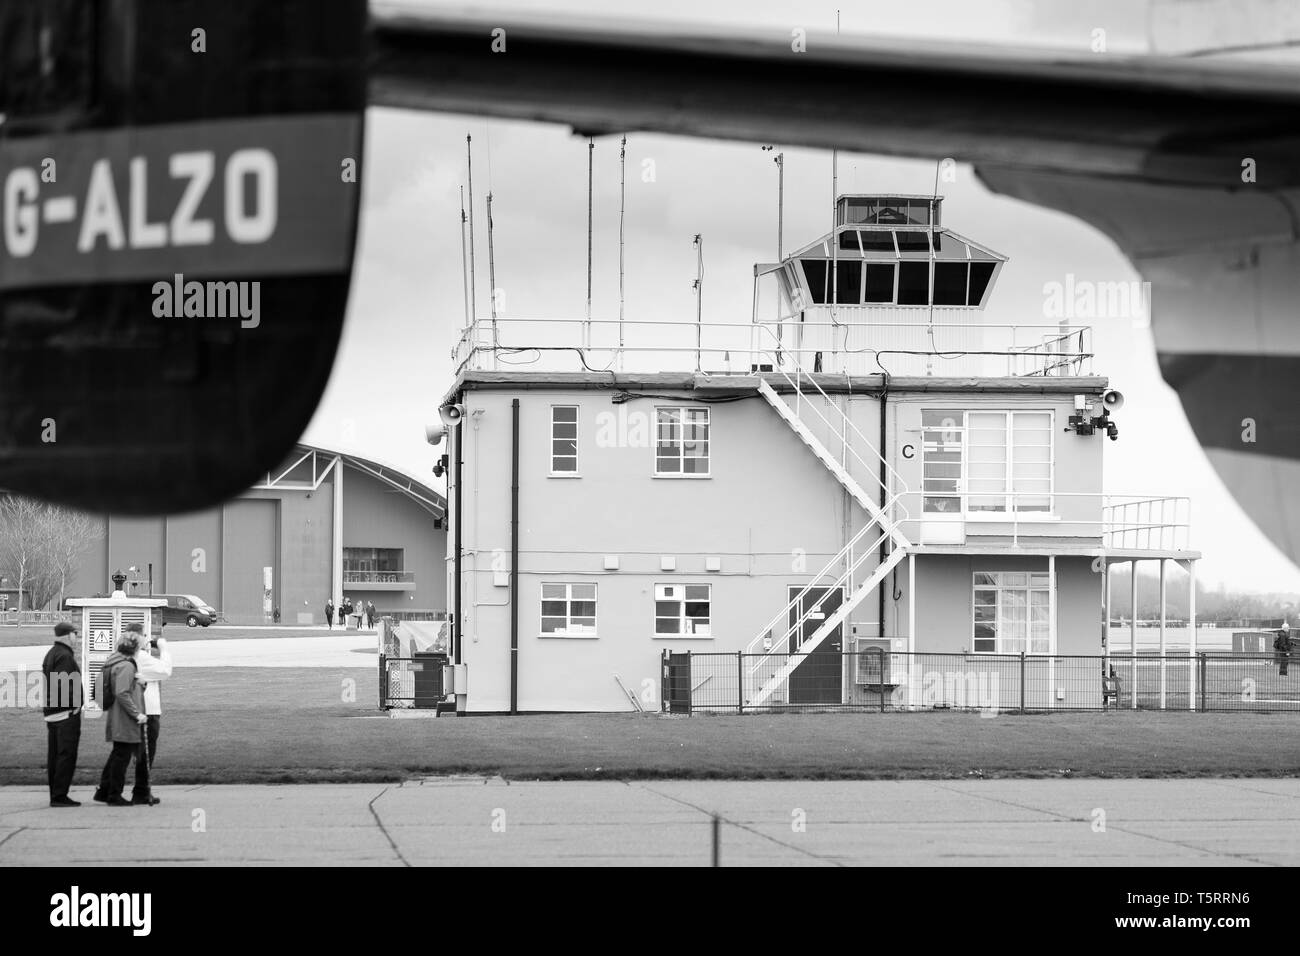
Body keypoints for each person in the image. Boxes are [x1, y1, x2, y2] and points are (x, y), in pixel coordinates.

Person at [42, 621, 83, 807]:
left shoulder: (51, 654)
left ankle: (55, 794)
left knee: (54, 756)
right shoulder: (65, 656)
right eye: (75, 634)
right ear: (68, 635)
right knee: (66, 755)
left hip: (52, 712)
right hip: (65, 714)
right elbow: (64, 685)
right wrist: (75, 706)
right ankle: (59, 795)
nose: (77, 638)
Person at [134, 628, 173, 774]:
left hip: (142, 709)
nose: (147, 640)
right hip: (148, 711)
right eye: (144, 636)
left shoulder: (135, 655)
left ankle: (141, 788)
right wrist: (163, 648)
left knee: (139, 752)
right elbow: (165, 670)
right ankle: (142, 789)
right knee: (147, 752)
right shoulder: (141, 656)